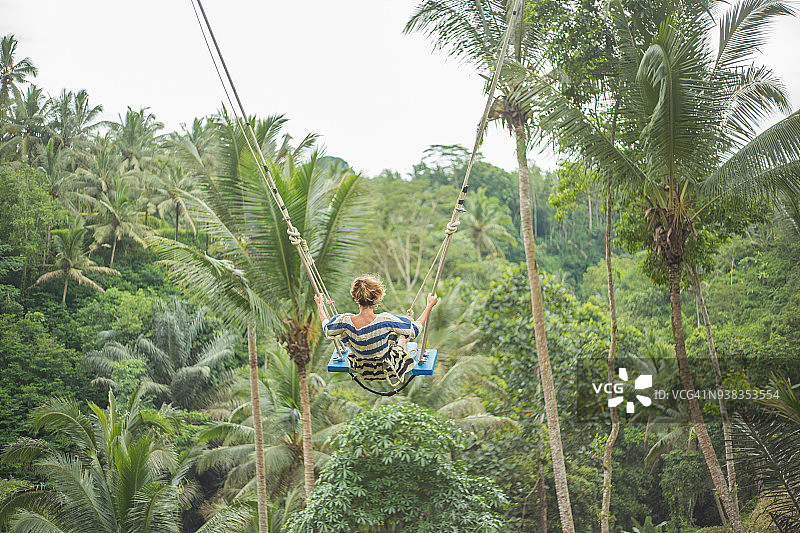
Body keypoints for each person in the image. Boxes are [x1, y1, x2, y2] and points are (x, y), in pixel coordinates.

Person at [315, 275, 438, 384]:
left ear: (356, 297)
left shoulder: (344, 321)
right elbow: (415, 330)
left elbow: (327, 330)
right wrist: (429, 306)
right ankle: (403, 338)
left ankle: (403, 331)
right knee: (403, 333)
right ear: (376, 298)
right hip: (387, 367)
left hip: (363, 368)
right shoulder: (385, 320)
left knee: (396, 329)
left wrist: (320, 306)